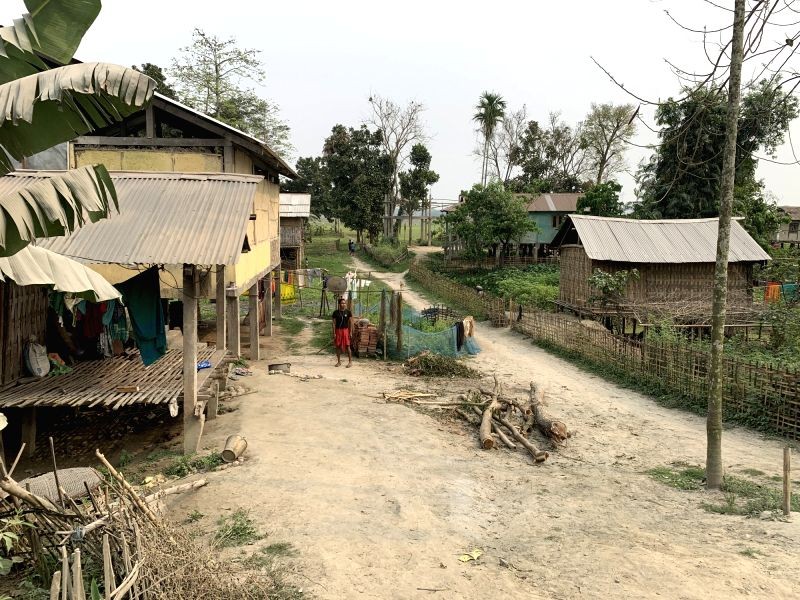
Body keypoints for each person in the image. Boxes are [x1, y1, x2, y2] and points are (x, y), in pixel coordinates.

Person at [331, 297, 353, 367]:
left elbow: (351, 323)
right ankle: (339, 362)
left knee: (348, 346)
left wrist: (350, 332)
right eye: (342, 303)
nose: (343, 304)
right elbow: (333, 323)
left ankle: (350, 362)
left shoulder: (348, 312)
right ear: (339, 304)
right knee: (338, 346)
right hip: (338, 331)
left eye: (344, 303)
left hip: (345, 331)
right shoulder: (335, 313)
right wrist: (334, 332)